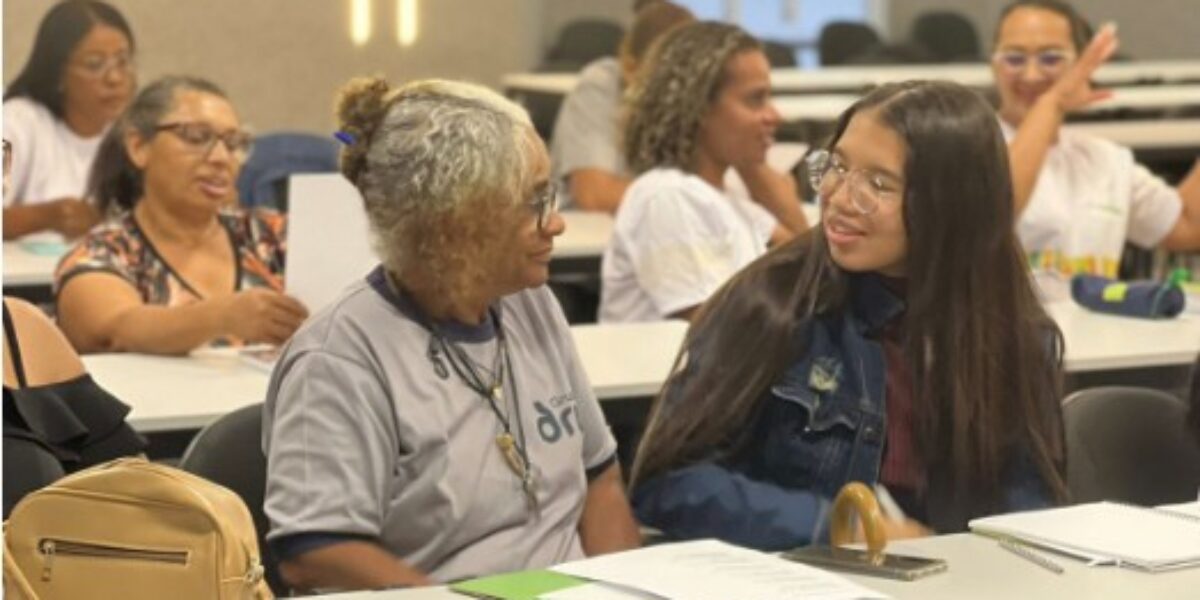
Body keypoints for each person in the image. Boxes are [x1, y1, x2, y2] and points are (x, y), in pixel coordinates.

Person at [630, 81, 1068, 550]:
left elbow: (1030, 510)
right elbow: (666, 483)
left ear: (949, 204)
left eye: (878, 184)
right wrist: (837, 528)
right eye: (837, 166)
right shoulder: (773, 305)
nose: (839, 198)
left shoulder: (1014, 335)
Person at [263, 77, 640, 592]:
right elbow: (316, 552)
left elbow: (600, 479)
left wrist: (622, 589)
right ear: (458, 225)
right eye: (534, 201)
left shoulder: (531, 303)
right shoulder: (339, 358)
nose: (556, 225)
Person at [54, 76, 308, 355]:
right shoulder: (103, 252)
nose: (221, 157)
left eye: (234, 143)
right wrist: (223, 315)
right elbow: (115, 329)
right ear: (139, 147)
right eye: (197, 138)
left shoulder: (271, 235)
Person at [599, 22, 807, 323]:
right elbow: (718, 334)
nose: (774, 115)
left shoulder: (725, 191)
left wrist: (754, 165)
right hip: (672, 370)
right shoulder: (666, 196)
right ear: (699, 109)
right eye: (755, 100)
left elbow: (811, 269)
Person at [993, 0, 1200, 291]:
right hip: (1005, 335)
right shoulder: (966, 144)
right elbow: (995, 210)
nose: (1032, 74)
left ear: (1083, 65)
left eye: (1050, 58)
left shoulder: (1106, 158)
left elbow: (1187, 227)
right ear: (994, 64)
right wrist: (1053, 103)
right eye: (1014, 58)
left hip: (1098, 335)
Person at [3, 0, 136, 241]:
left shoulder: (133, 133)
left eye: (123, 62)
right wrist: (46, 217)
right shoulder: (17, 122)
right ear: (58, 74)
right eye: (95, 65)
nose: (115, 78)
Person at [549, 1, 694, 212]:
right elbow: (595, 195)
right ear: (631, 68)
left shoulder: (710, 97)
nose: (677, 90)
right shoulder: (601, 85)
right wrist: (698, 199)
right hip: (589, 235)